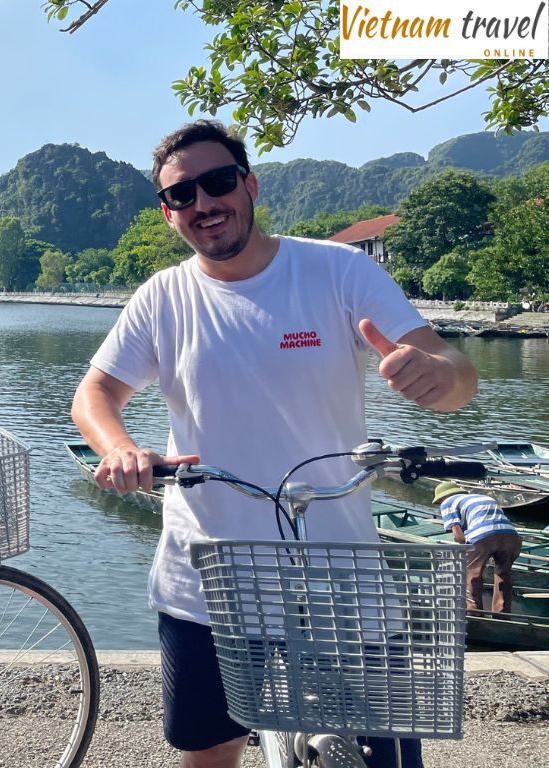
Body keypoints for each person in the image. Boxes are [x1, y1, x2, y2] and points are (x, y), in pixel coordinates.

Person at [70, 120, 478, 768]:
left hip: (344, 580)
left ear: (249, 183)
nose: (203, 203)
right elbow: (93, 395)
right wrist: (119, 448)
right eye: (182, 195)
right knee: (211, 756)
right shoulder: (163, 298)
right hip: (205, 584)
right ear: (168, 212)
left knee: (384, 760)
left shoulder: (337, 271)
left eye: (218, 182)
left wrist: (440, 376)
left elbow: (454, 371)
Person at [434, 481, 523, 613]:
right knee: (503, 576)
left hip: (483, 536)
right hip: (511, 536)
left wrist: (465, 552)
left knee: (472, 574)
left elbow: (458, 535)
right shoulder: (483, 498)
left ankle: (475, 613)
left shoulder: (447, 502)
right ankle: (502, 615)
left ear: (442, 497)